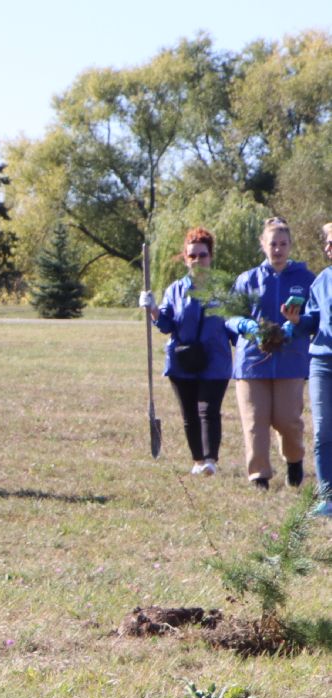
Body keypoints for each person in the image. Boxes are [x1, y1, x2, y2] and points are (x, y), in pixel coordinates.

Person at [225, 217, 314, 491]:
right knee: (255, 421)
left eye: (283, 244)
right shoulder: (247, 279)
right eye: (272, 244)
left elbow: (314, 315)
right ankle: (259, 476)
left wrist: (292, 327)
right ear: (263, 245)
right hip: (253, 361)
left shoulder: (306, 278)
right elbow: (229, 314)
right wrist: (245, 325)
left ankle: (294, 459)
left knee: (288, 419)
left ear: (290, 246)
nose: (278, 249)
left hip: (291, 359)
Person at [139, 228, 234, 475]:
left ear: (211, 257)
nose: (197, 261)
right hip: (182, 360)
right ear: (185, 258)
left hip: (215, 360)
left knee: (208, 410)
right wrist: (153, 310)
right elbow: (166, 324)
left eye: (202, 255)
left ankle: (210, 459)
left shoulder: (224, 290)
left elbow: (235, 323)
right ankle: (197, 461)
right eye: (192, 256)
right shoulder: (175, 290)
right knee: (190, 413)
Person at [282, 221, 332, 517]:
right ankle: (327, 497)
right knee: (323, 430)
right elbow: (313, 321)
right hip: (322, 363)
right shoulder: (321, 281)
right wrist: (297, 320)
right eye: (327, 242)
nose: (328, 247)